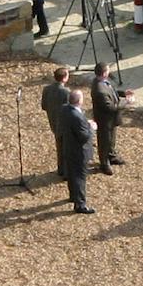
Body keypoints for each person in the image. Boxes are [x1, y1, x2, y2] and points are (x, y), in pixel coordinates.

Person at [56, 81, 100, 214]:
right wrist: (92, 128)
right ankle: (80, 204)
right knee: (80, 177)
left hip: (68, 147)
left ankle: (73, 196)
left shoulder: (64, 109)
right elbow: (84, 137)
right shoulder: (77, 117)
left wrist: (85, 123)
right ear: (79, 101)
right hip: (79, 151)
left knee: (72, 175)